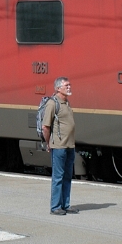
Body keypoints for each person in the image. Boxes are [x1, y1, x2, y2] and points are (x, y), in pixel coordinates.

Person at [42, 76, 77, 215]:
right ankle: (55, 207)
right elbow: (46, 126)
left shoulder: (66, 103)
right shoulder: (52, 103)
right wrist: (48, 143)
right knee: (58, 177)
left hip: (69, 146)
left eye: (69, 85)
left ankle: (65, 205)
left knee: (67, 176)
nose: (69, 87)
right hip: (59, 146)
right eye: (66, 86)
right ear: (58, 88)